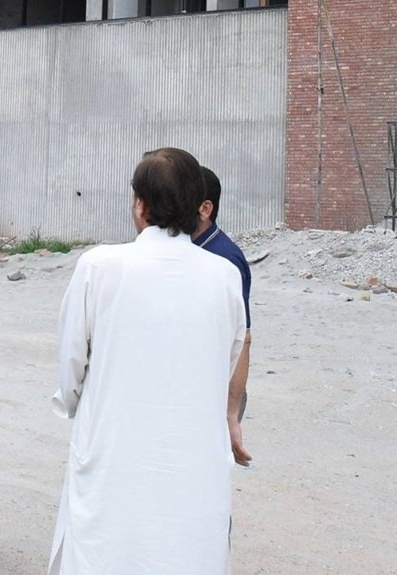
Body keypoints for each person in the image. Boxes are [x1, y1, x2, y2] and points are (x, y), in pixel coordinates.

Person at [48, 147, 246, 575]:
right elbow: (230, 358)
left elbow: (71, 363)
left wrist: (76, 404)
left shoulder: (99, 266)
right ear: (197, 206)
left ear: (140, 205)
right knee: (186, 552)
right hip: (194, 456)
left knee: (105, 550)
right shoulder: (224, 275)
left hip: (112, 447)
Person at [194, 165, 254, 467]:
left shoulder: (224, 258)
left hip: (217, 393)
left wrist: (231, 413)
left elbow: (243, 337)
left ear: (205, 209)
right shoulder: (190, 249)